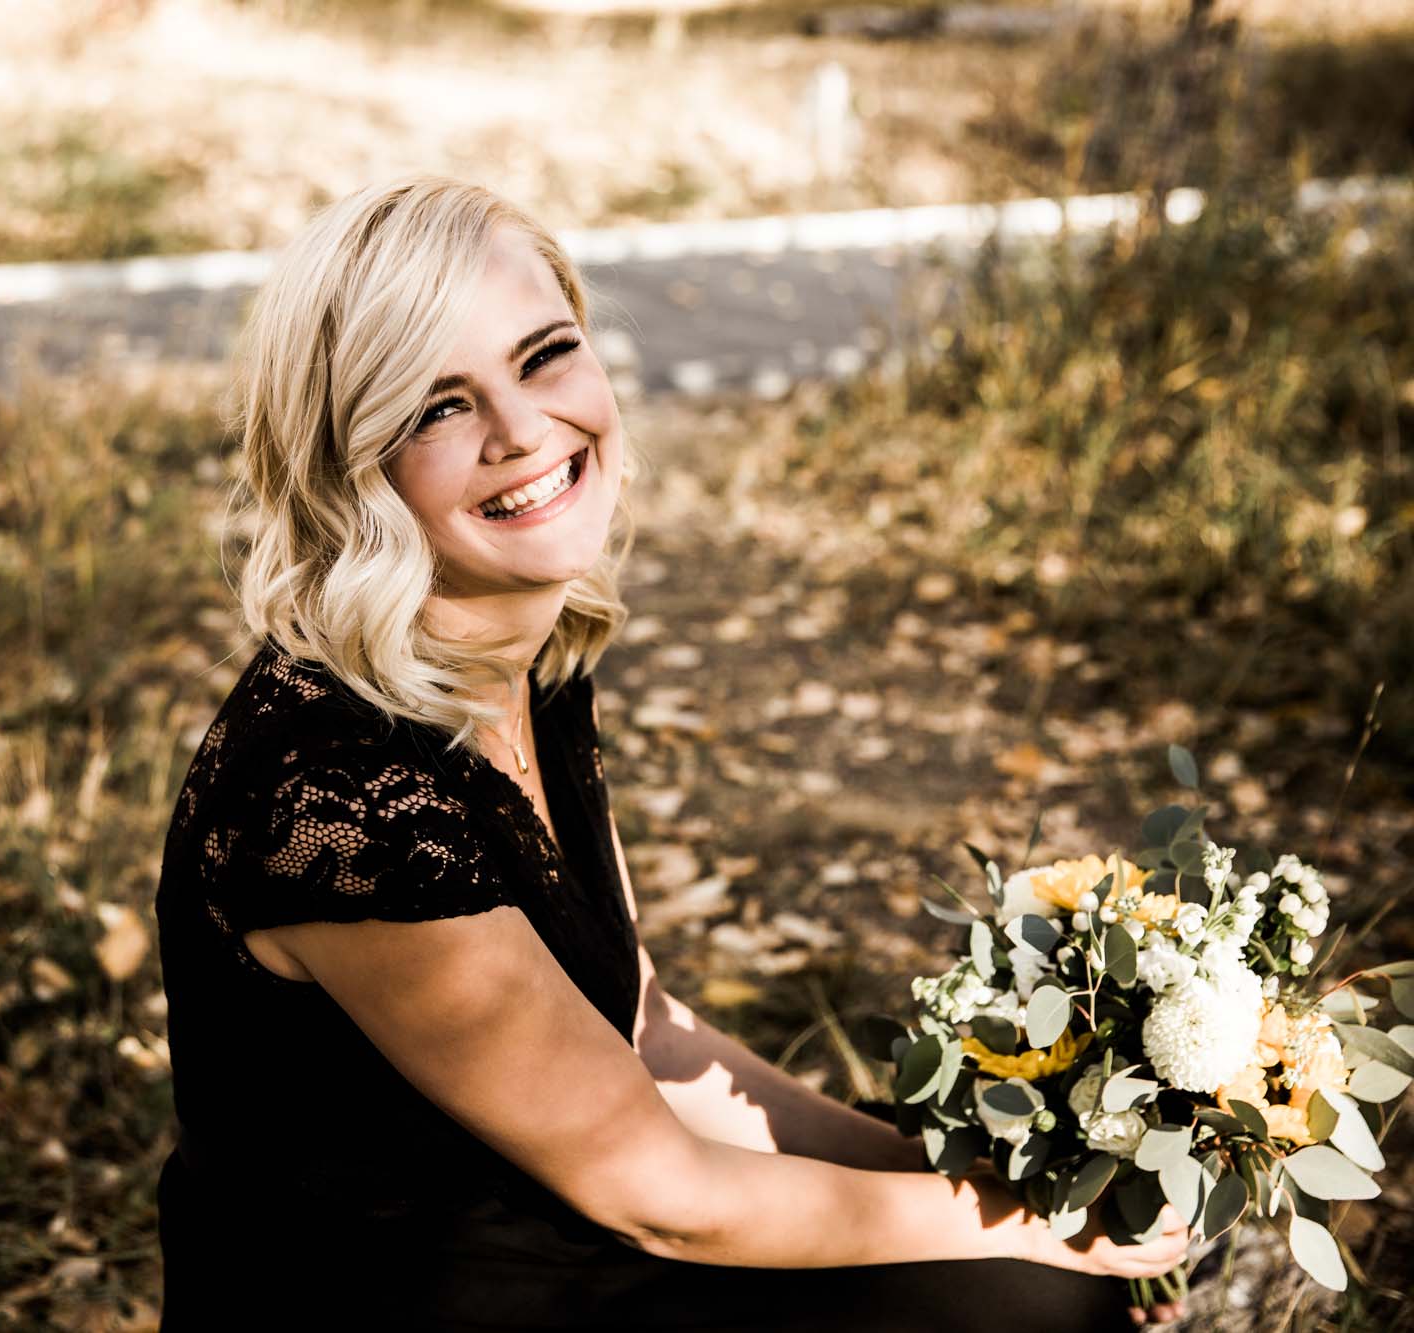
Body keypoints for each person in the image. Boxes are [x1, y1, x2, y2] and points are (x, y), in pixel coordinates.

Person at [150, 176, 1190, 1331]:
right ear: (351, 467)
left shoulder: (518, 651)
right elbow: (661, 1195)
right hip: (393, 1300)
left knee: (1011, 1279)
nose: (522, 431)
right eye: (436, 407)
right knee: (1021, 1302)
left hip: (541, 1236)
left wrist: (950, 1175)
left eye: (543, 354)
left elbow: (639, 1028)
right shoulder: (338, 800)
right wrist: (1031, 1227)